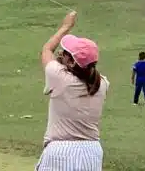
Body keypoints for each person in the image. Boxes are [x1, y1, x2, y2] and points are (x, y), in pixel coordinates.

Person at [37, 10, 109, 171]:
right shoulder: (102, 83)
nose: (61, 53)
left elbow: (46, 50)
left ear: (71, 62)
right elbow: (87, 74)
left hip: (61, 152)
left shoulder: (60, 77)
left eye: (65, 53)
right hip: (92, 153)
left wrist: (66, 26)